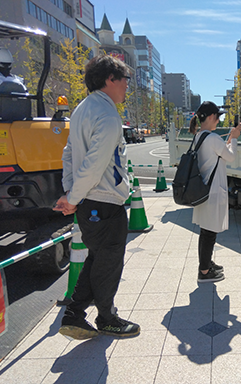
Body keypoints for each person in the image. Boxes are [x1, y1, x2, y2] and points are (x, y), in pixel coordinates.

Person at [53, 54, 139, 340]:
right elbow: (95, 164)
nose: (127, 85)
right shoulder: (107, 115)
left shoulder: (82, 109)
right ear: (109, 80)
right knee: (109, 263)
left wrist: (70, 193)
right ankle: (106, 318)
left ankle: (75, 314)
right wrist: (73, 197)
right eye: (125, 79)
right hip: (104, 201)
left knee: (97, 259)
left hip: (89, 203)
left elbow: (69, 154)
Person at [190, 101, 241, 283]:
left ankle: (206, 264)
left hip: (203, 190)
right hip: (212, 192)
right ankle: (204, 271)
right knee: (209, 233)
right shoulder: (212, 138)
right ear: (211, 117)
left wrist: (228, 140)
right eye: (218, 117)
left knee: (206, 231)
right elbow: (231, 157)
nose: (219, 121)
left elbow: (219, 154)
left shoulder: (200, 136)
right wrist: (234, 138)